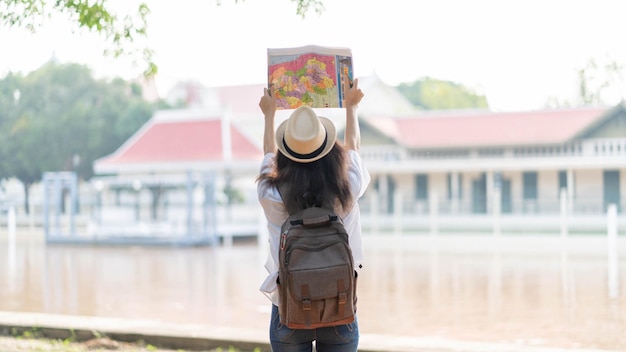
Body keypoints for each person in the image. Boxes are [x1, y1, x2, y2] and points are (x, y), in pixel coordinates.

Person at [256, 78, 370, 352]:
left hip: (288, 307)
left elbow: (268, 154)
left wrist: (269, 114)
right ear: (330, 150)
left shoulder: (270, 193)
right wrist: (351, 107)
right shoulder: (347, 189)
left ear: (285, 153)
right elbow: (353, 148)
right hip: (339, 302)